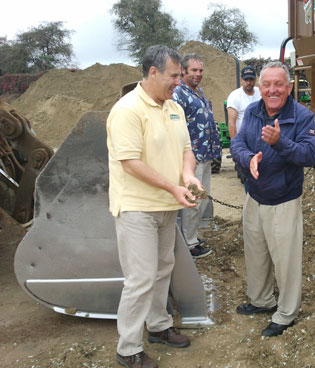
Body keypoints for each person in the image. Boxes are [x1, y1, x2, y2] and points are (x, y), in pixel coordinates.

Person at [107, 45, 201, 368]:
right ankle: (128, 347)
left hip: (166, 205)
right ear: (153, 73)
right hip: (136, 208)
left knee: (163, 270)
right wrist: (173, 187)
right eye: (174, 76)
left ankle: (158, 326)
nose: (179, 81)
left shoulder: (173, 107)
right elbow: (130, 163)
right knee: (140, 278)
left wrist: (187, 176)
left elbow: (187, 148)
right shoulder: (128, 110)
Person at [230, 61, 315, 337]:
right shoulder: (254, 111)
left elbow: (310, 155)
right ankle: (262, 301)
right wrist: (248, 159)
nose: (272, 90)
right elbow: (237, 143)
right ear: (259, 87)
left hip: (283, 201)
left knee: (285, 261)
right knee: (255, 255)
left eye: (278, 84)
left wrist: (280, 142)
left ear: (289, 87)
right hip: (254, 198)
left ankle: (286, 314)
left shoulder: (302, 116)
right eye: (266, 84)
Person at [173, 53, 221, 259]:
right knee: (194, 200)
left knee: (202, 198)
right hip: (191, 157)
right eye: (194, 70)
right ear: (183, 70)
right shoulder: (178, 94)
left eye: (200, 70)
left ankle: (191, 235)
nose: (198, 74)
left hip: (206, 154)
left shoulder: (198, 91)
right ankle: (189, 244)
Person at [226, 66, 261, 139]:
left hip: (260, 139)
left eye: (251, 79)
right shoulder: (234, 96)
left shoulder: (261, 94)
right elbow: (232, 123)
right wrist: (235, 144)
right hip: (243, 139)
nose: (249, 82)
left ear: (255, 80)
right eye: (246, 79)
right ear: (241, 80)